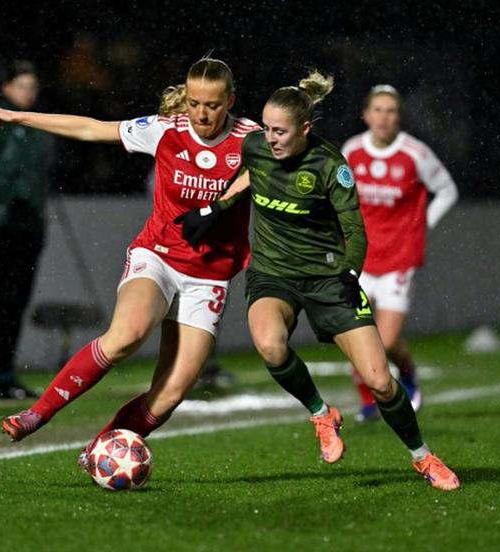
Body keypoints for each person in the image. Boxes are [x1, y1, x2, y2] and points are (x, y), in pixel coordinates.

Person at [176, 71, 460, 490]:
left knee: (381, 382)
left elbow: (356, 229)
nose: (271, 138)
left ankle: (423, 457)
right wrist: (216, 208)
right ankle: (321, 413)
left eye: (281, 132)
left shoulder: (330, 164)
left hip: (328, 277)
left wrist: (350, 270)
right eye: (267, 128)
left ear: (305, 129)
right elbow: (251, 172)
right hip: (274, 274)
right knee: (270, 345)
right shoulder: (255, 146)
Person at [0, 58, 259, 461]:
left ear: (230, 101)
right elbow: (91, 128)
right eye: (193, 103)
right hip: (158, 255)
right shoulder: (165, 129)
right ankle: (37, 414)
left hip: (210, 276)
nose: (201, 114)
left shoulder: (250, 139)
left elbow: (284, 158)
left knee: (172, 392)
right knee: (127, 335)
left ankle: (99, 451)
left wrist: (226, 202)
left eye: (212, 104)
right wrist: (20, 118)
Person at [341, 85, 459, 421]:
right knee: (355, 333)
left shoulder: (415, 152)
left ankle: (406, 374)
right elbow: (339, 195)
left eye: (391, 111)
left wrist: (423, 226)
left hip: (398, 260)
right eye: (377, 110)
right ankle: (368, 399)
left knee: (387, 339)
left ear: (399, 117)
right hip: (361, 257)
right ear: (366, 114)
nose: (383, 117)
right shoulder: (351, 151)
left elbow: (448, 190)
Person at [0, 60, 53, 400]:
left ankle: (5, 373)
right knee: (0, 299)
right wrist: (4, 198)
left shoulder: (33, 125)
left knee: (16, 300)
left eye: (32, 87)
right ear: (6, 88)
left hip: (28, 225)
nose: (28, 93)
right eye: (21, 86)